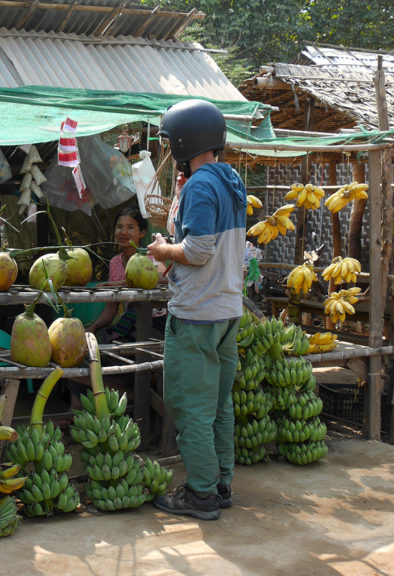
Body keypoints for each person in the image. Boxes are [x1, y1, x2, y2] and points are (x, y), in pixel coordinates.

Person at [147, 99, 247, 521]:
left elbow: (199, 249)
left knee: (190, 408)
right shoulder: (229, 178)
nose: (170, 151)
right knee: (219, 405)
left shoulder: (202, 185)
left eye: (172, 143)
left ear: (187, 140)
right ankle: (220, 484)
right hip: (226, 311)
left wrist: (161, 249)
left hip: (197, 315)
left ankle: (201, 495)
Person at [85, 207, 149, 342]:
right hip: (130, 323)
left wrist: (119, 284)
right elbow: (111, 307)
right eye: (119, 227)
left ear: (142, 233)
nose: (123, 232)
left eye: (130, 228)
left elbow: (162, 278)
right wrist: (94, 326)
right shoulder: (115, 262)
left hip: (153, 322)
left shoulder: (151, 256)